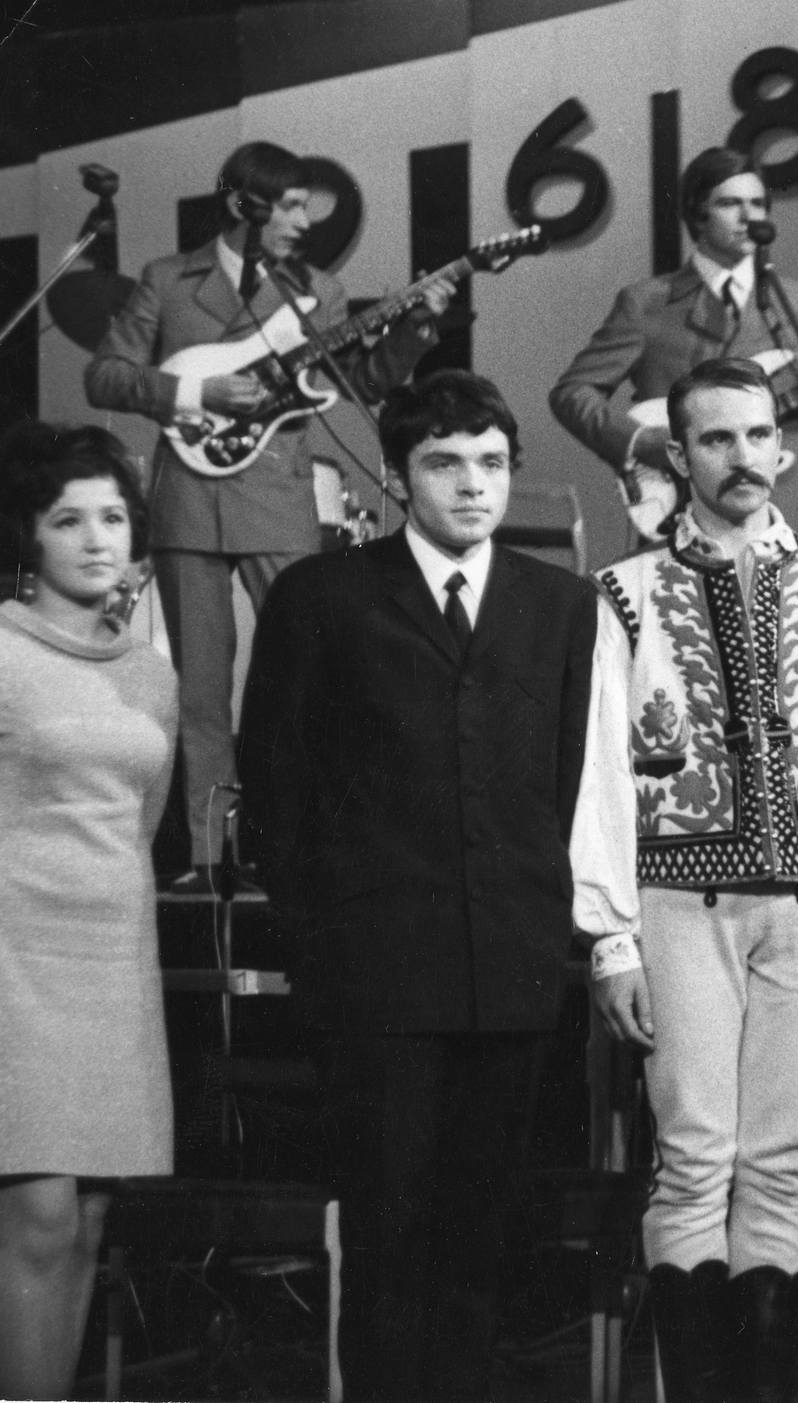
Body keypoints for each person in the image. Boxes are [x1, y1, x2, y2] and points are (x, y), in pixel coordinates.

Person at [236, 370, 636, 1401]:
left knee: (481, 1241)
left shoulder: (562, 605)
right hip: (373, 980)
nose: (472, 484)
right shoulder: (321, 596)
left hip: (510, 973)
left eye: (491, 463)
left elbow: (571, 781)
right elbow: (275, 785)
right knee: (386, 1237)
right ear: (399, 474)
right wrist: (324, 936)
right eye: (445, 463)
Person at [583, 357, 798, 1402]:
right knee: (695, 1157)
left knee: (783, 1161)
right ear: (680, 455)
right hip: (676, 908)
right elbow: (602, 766)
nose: (742, 457)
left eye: (757, 436)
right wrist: (611, 937)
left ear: (784, 446)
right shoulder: (627, 592)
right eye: (716, 439)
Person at [87, 140, 451, 887]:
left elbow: (360, 384)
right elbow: (105, 375)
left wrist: (414, 329)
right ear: (242, 206)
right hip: (189, 499)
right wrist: (195, 392)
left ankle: (300, 842)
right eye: (288, 206)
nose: (303, 222)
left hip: (278, 497)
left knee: (308, 674)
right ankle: (209, 859)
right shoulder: (168, 279)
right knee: (200, 692)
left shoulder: (319, 290)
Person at [0, 423, 176, 1400]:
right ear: (30, 534)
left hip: (114, 963)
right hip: (15, 962)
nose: (97, 537)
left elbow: (141, 822)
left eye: (112, 516)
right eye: (69, 519)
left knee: (91, 1224)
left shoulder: (150, 673)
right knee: (41, 1220)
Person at [548, 144, 798, 542]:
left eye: (758, 204)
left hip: (777, 506)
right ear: (697, 214)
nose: (748, 217)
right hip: (679, 505)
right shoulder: (647, 302)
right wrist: (640, 442)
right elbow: (572, 392)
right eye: (730, 204)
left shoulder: (795, 301)